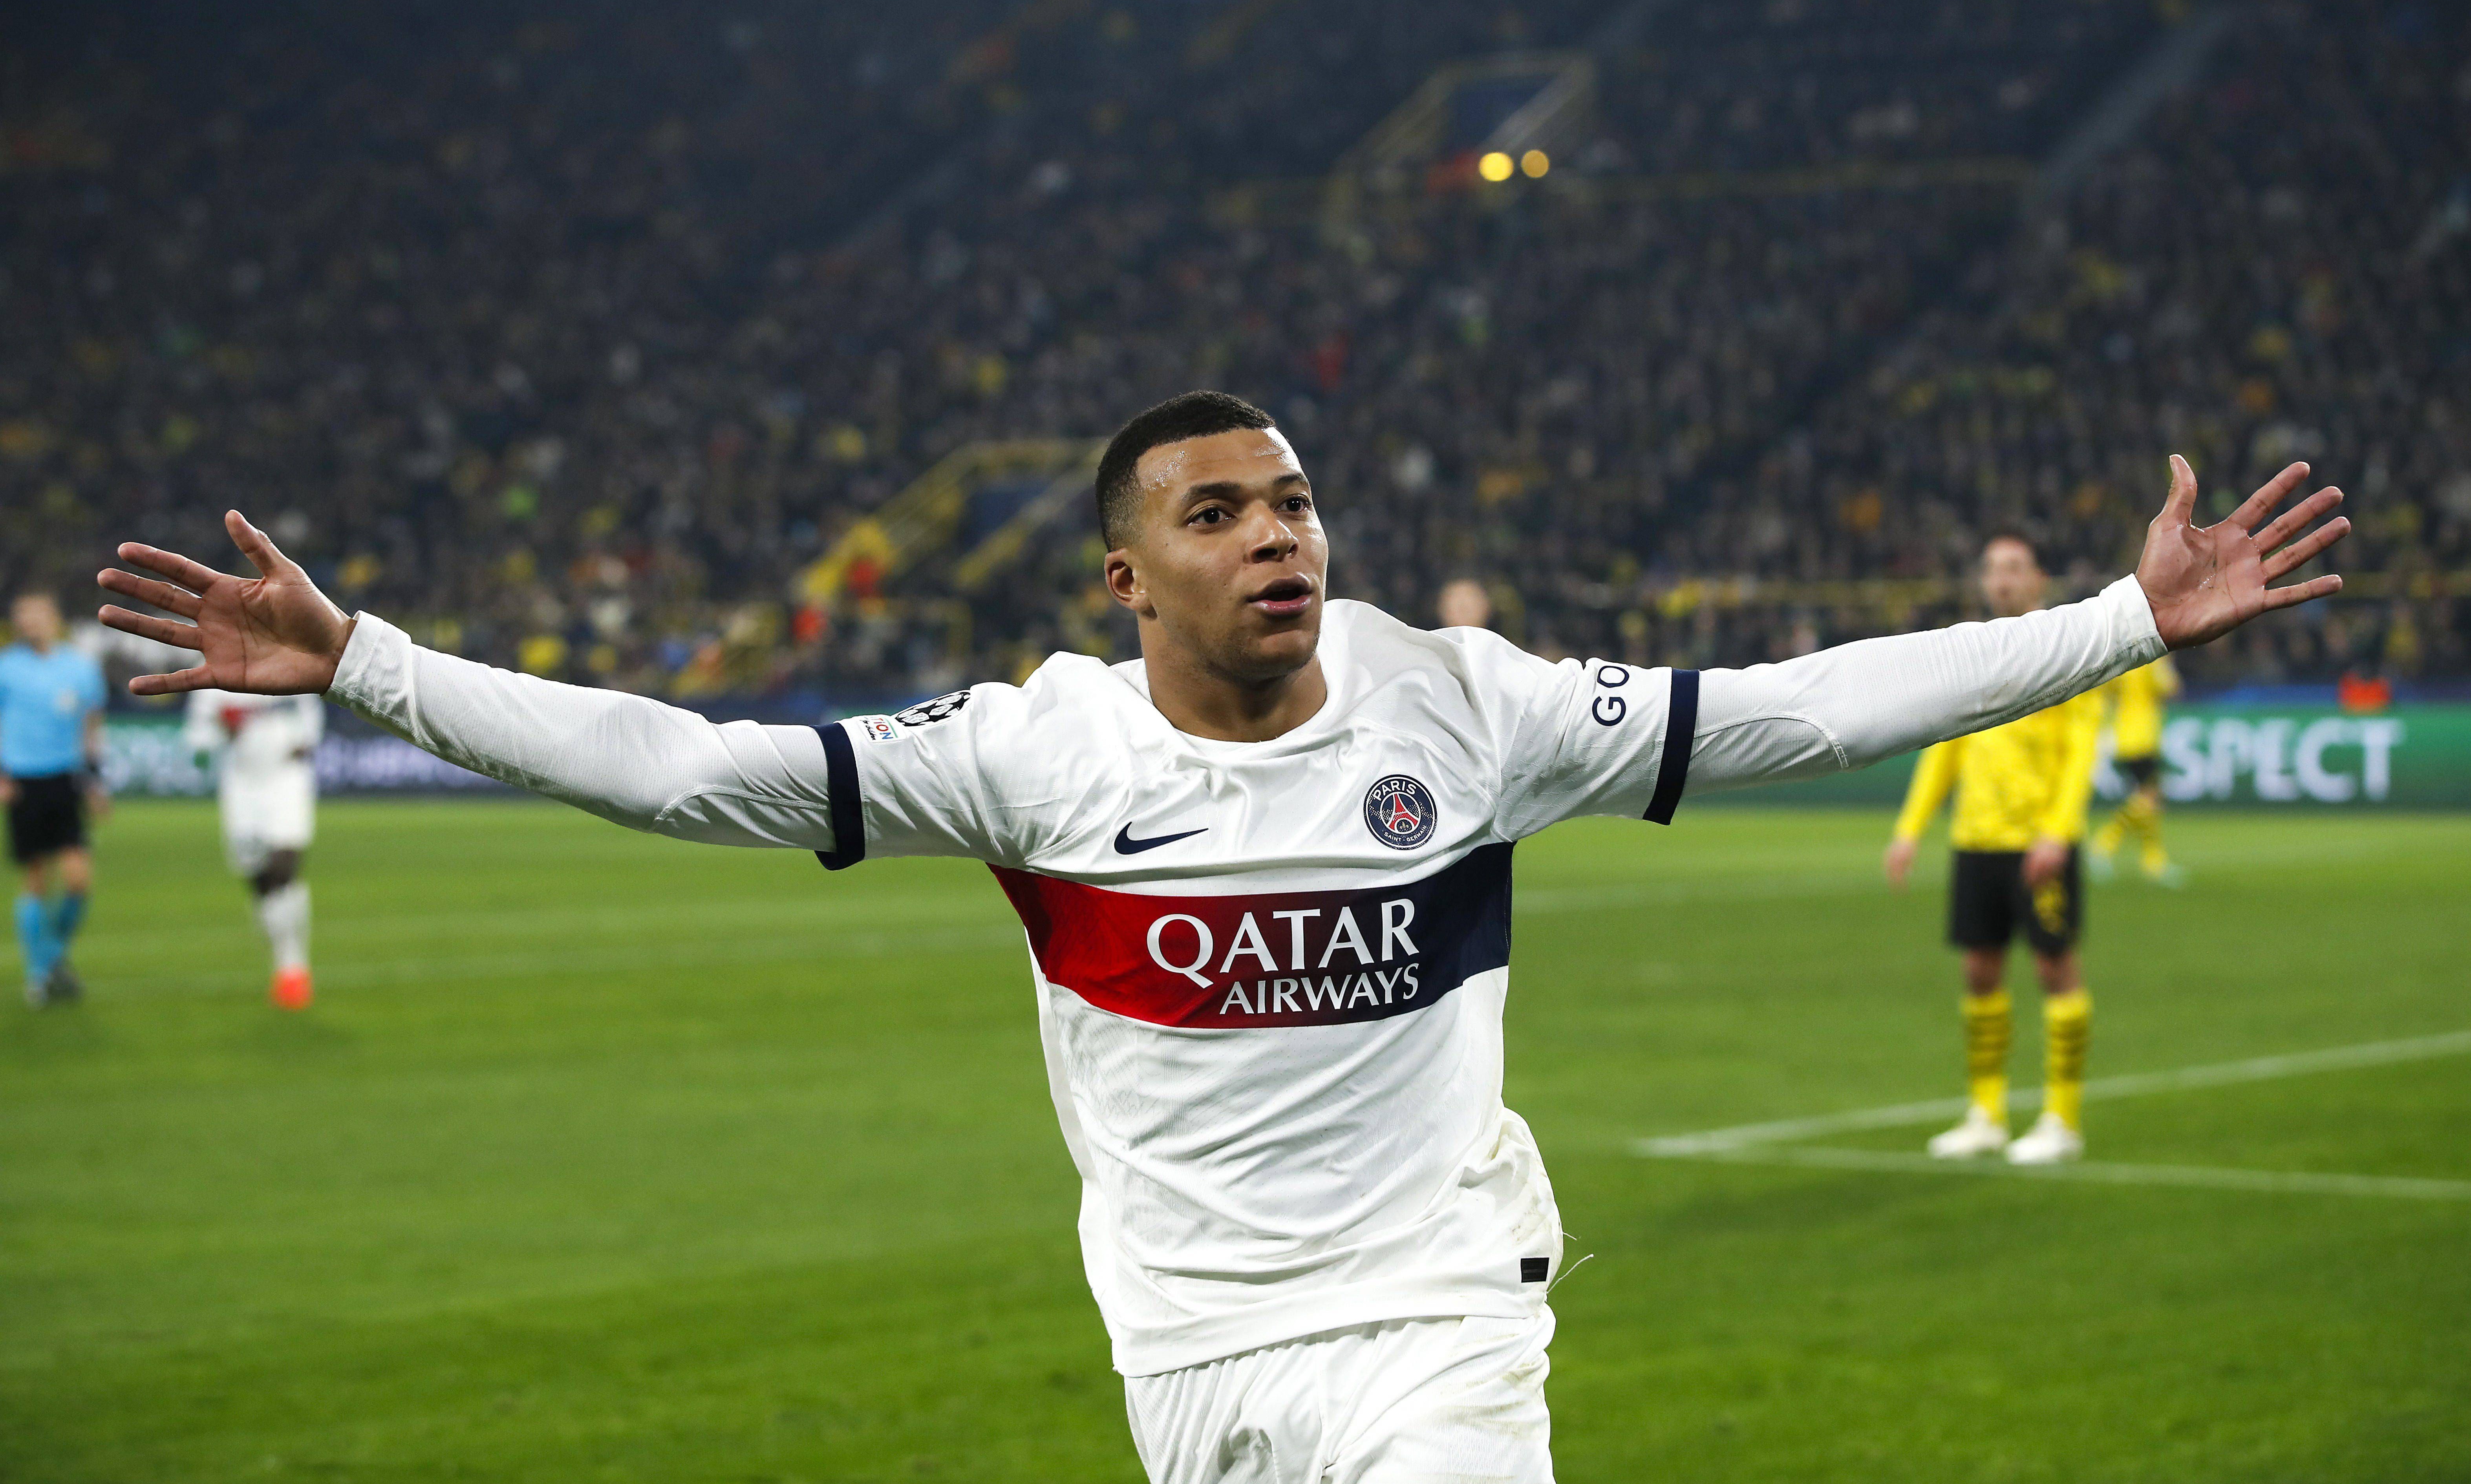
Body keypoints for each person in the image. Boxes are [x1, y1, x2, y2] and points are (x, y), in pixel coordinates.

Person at [98, 394, 2345, 1483]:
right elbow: (686, 767)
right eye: (1217, 511)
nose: (1276, 533)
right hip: (1187, 1354)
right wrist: (372, 658)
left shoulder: (1460, 709)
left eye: (1290, 498)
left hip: (1442, 1319)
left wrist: (2124, 619)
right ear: (1126, 575)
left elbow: (1797, 707)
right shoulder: (1031, 756)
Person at [1884, 532, 2105, 1166]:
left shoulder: (2068, 650)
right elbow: (1942, 749)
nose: (2000, 579)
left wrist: (2057, 832)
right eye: (1991, 569)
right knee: (1979, 971)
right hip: (1975, 839)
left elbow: (2081, 749)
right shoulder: (1969, 650)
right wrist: (1909, 829)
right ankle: (1986, 1113)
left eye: (2013, 568)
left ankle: (2061, 1119)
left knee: (2052, 969)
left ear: (2038, 577)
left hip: (2036, 844)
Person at [0, 591, 111, 1007]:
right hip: (23, 781)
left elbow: (92, 729)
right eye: (22, 616)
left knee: (79, 880)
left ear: (54, 618)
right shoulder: (7, 667)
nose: (30, 623)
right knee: (35, 879)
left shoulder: (80, 668)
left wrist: (96, 783)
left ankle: (50, 960)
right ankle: (39, 975)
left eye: (37, 615)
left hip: (65, 780)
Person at [183, 688, 324, 1008]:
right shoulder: (209, 670)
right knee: (260, 879)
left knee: (284, 864)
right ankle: (285, 962)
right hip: (242, 784)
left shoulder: (291, 652)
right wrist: (223, 729)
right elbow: (198, 743)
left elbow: (311, 716)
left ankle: (294, 968)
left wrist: (305, 740)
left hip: (287, 777)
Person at [2090, 655, 2184, 885]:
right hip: (2143, 737)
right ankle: (2104, 844)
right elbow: (2171, 689)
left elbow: (2106, 692)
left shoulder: (2122, 660)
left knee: (2149, 801)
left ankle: (2153, 861)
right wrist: (2168, 662)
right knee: (2149, 799)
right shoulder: (2153, 660)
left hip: (2124, 734)